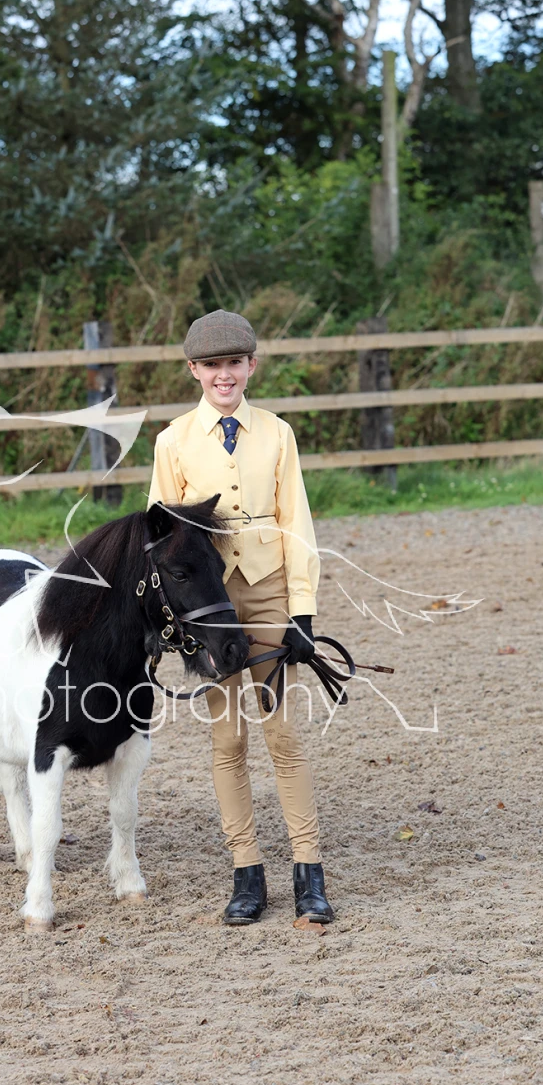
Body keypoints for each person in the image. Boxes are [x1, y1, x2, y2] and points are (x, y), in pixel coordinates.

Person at [147, 308, 333, 926]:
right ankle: (246, 872)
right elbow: (160, 541)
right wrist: (170, 619)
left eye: (233, 362)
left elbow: (297, 521)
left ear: (251, 365)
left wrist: (302, 611)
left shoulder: (278, 434)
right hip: (208, 607)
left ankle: (309, 872)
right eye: (211, 365)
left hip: (268, 591)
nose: (223, 375)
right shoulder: (172, 442)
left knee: (282, 733)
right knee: (227, 739)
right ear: (193, 370)